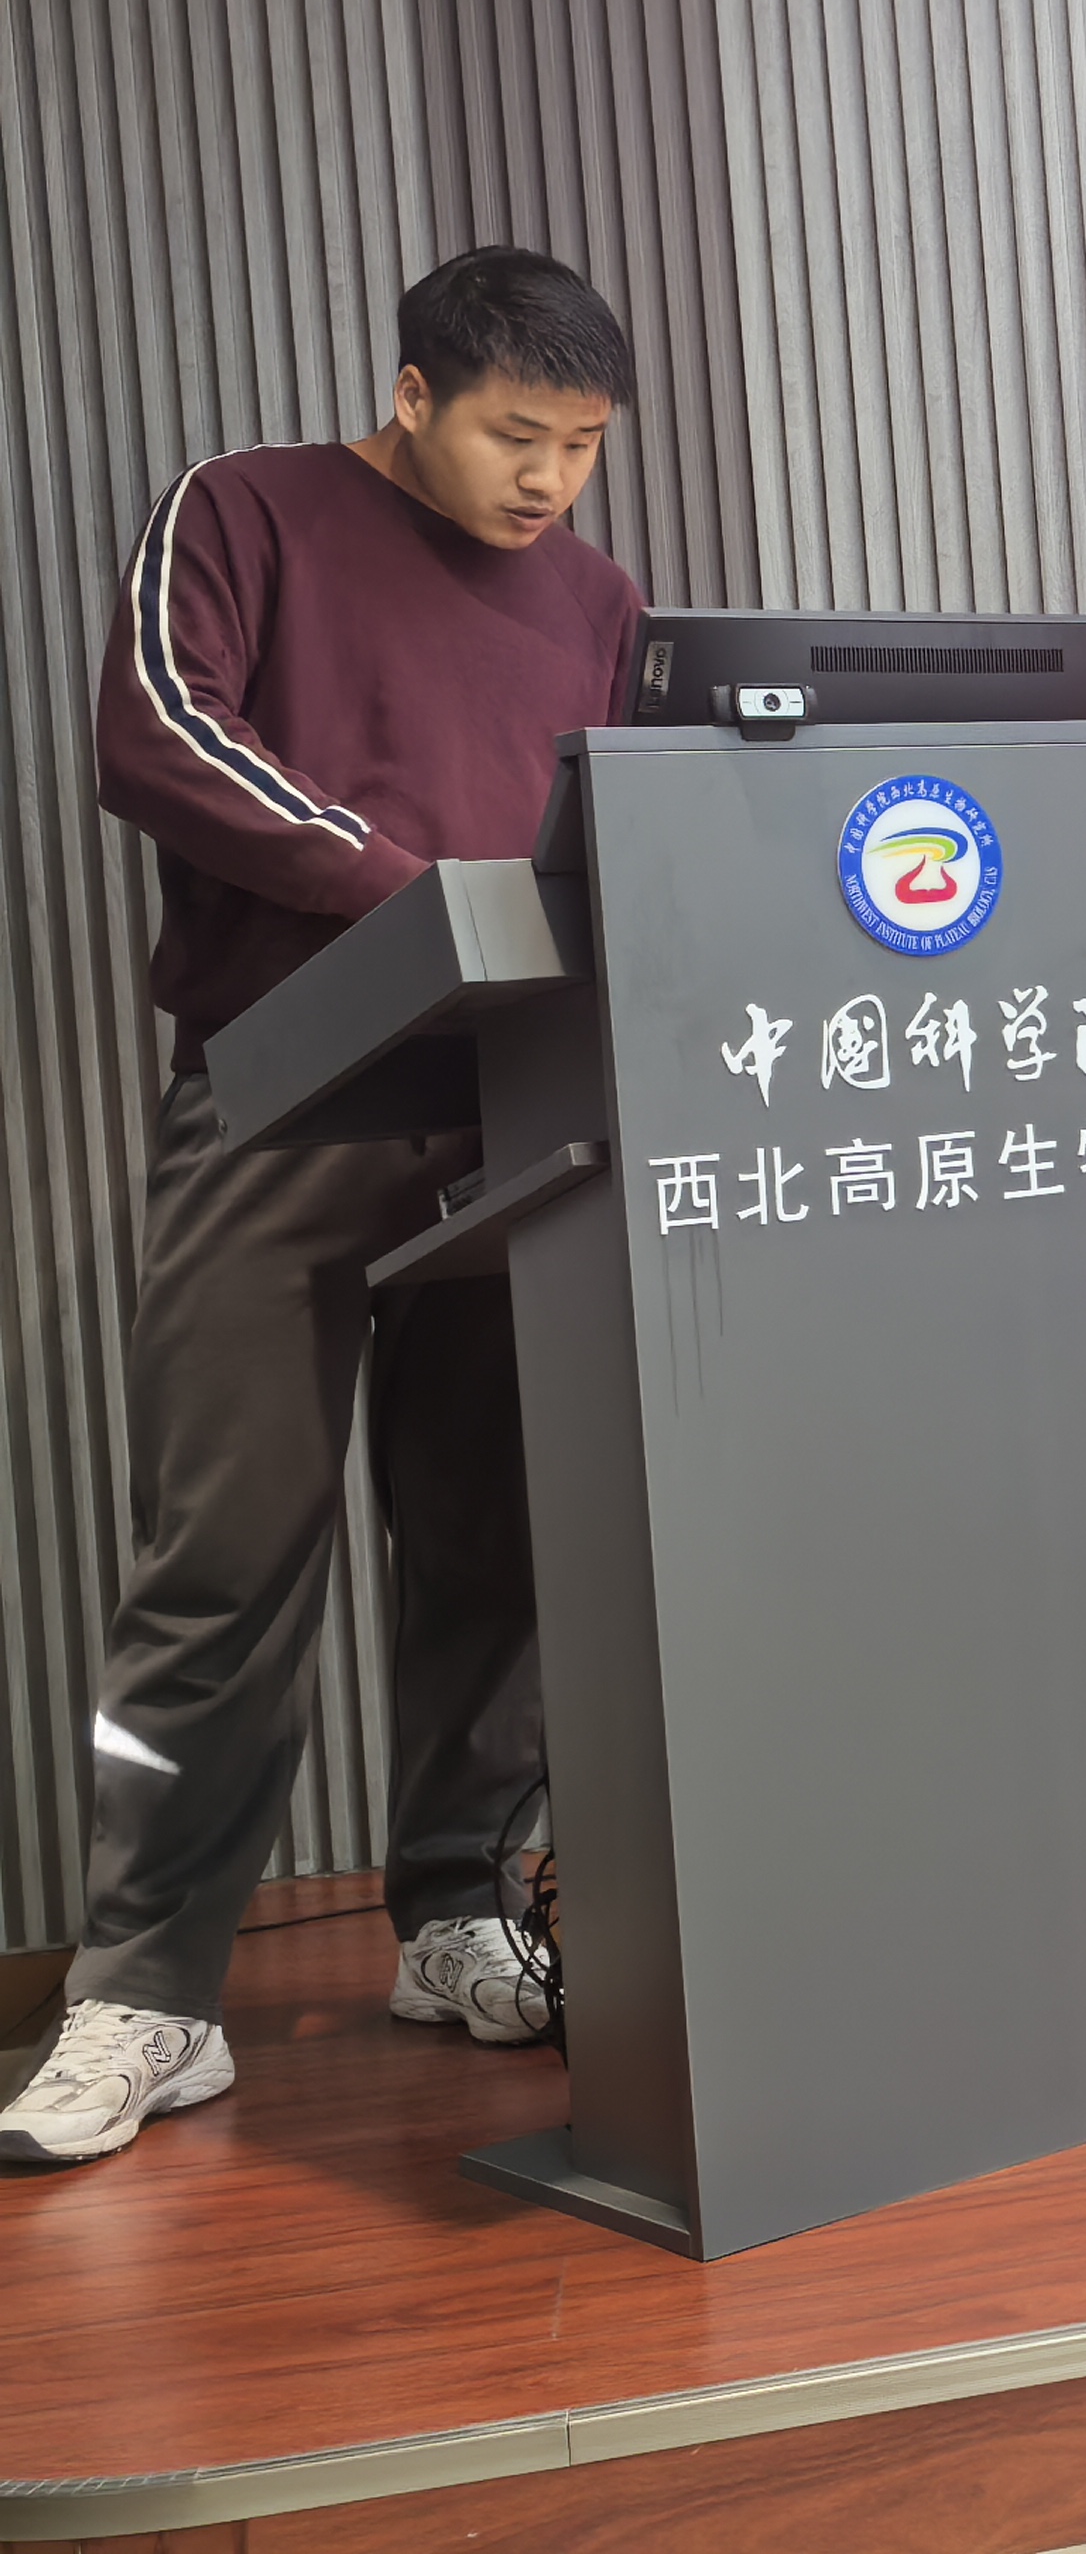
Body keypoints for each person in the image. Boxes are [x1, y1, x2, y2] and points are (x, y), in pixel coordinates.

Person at [0, 249, 645, 2170]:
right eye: (515, 436)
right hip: (285, 1094)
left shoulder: (598, 600)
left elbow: (625, 825)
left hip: (513, 1100)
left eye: (582, 447)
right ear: (413, 394)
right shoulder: (247, 510)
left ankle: (456, 1912)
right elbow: (157, 735)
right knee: (222, 1551)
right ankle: (148, 1989)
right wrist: (408, 894)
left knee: (492, 1539)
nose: (547, 482)